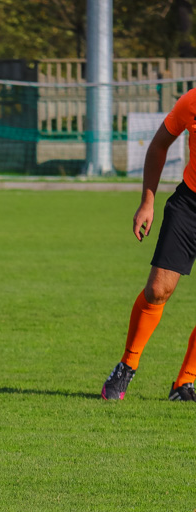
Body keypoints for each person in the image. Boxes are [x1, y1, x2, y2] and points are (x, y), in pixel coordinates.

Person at [101, 88, 196, 401]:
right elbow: (158, 145)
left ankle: (185, 384)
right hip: (189, 206)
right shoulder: (191, 101)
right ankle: (126, 366)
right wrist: (147, 202)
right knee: (158, 290)